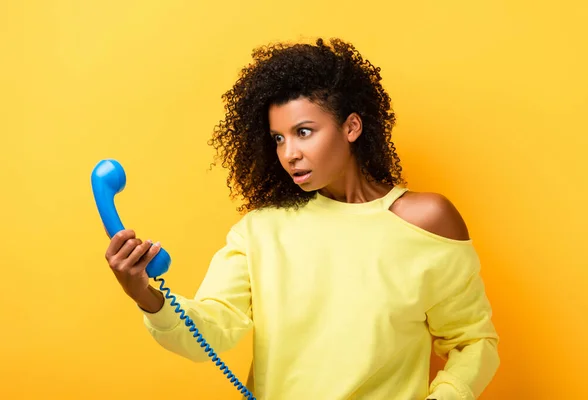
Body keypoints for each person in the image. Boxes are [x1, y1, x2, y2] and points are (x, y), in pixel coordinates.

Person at [103, 37, 500, 399]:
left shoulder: (426, 220)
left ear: (351, 127)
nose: (289, 152)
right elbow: (210, 329)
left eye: (304, 132)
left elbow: (472, 341)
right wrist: (145, 294)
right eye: (278, 138)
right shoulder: (259, 231)